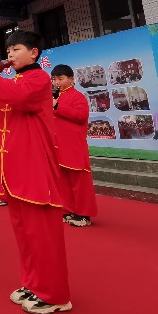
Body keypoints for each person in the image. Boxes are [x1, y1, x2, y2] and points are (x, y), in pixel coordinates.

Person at [0, 30, 71, 314]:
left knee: (42, 235)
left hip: (34, 167)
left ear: (34, 53)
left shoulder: (39, 79)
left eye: (17, 49)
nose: (10, 55)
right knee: (25, 234)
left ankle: (55, 295)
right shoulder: (12, 82)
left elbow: (16, 96)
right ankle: (33, 283)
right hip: (15, 169)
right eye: (8, 51)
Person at [50, 65, 97, 227]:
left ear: (71, 79)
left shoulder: (77, 97)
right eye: (54, 79)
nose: (57, 82)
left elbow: (80, 115)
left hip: (73, 146)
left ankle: (83, 214)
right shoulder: (54, 97)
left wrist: (57, 106)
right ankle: (67, 210)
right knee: (62, 180)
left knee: (80, 181)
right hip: (57, 145)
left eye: (60, 79)